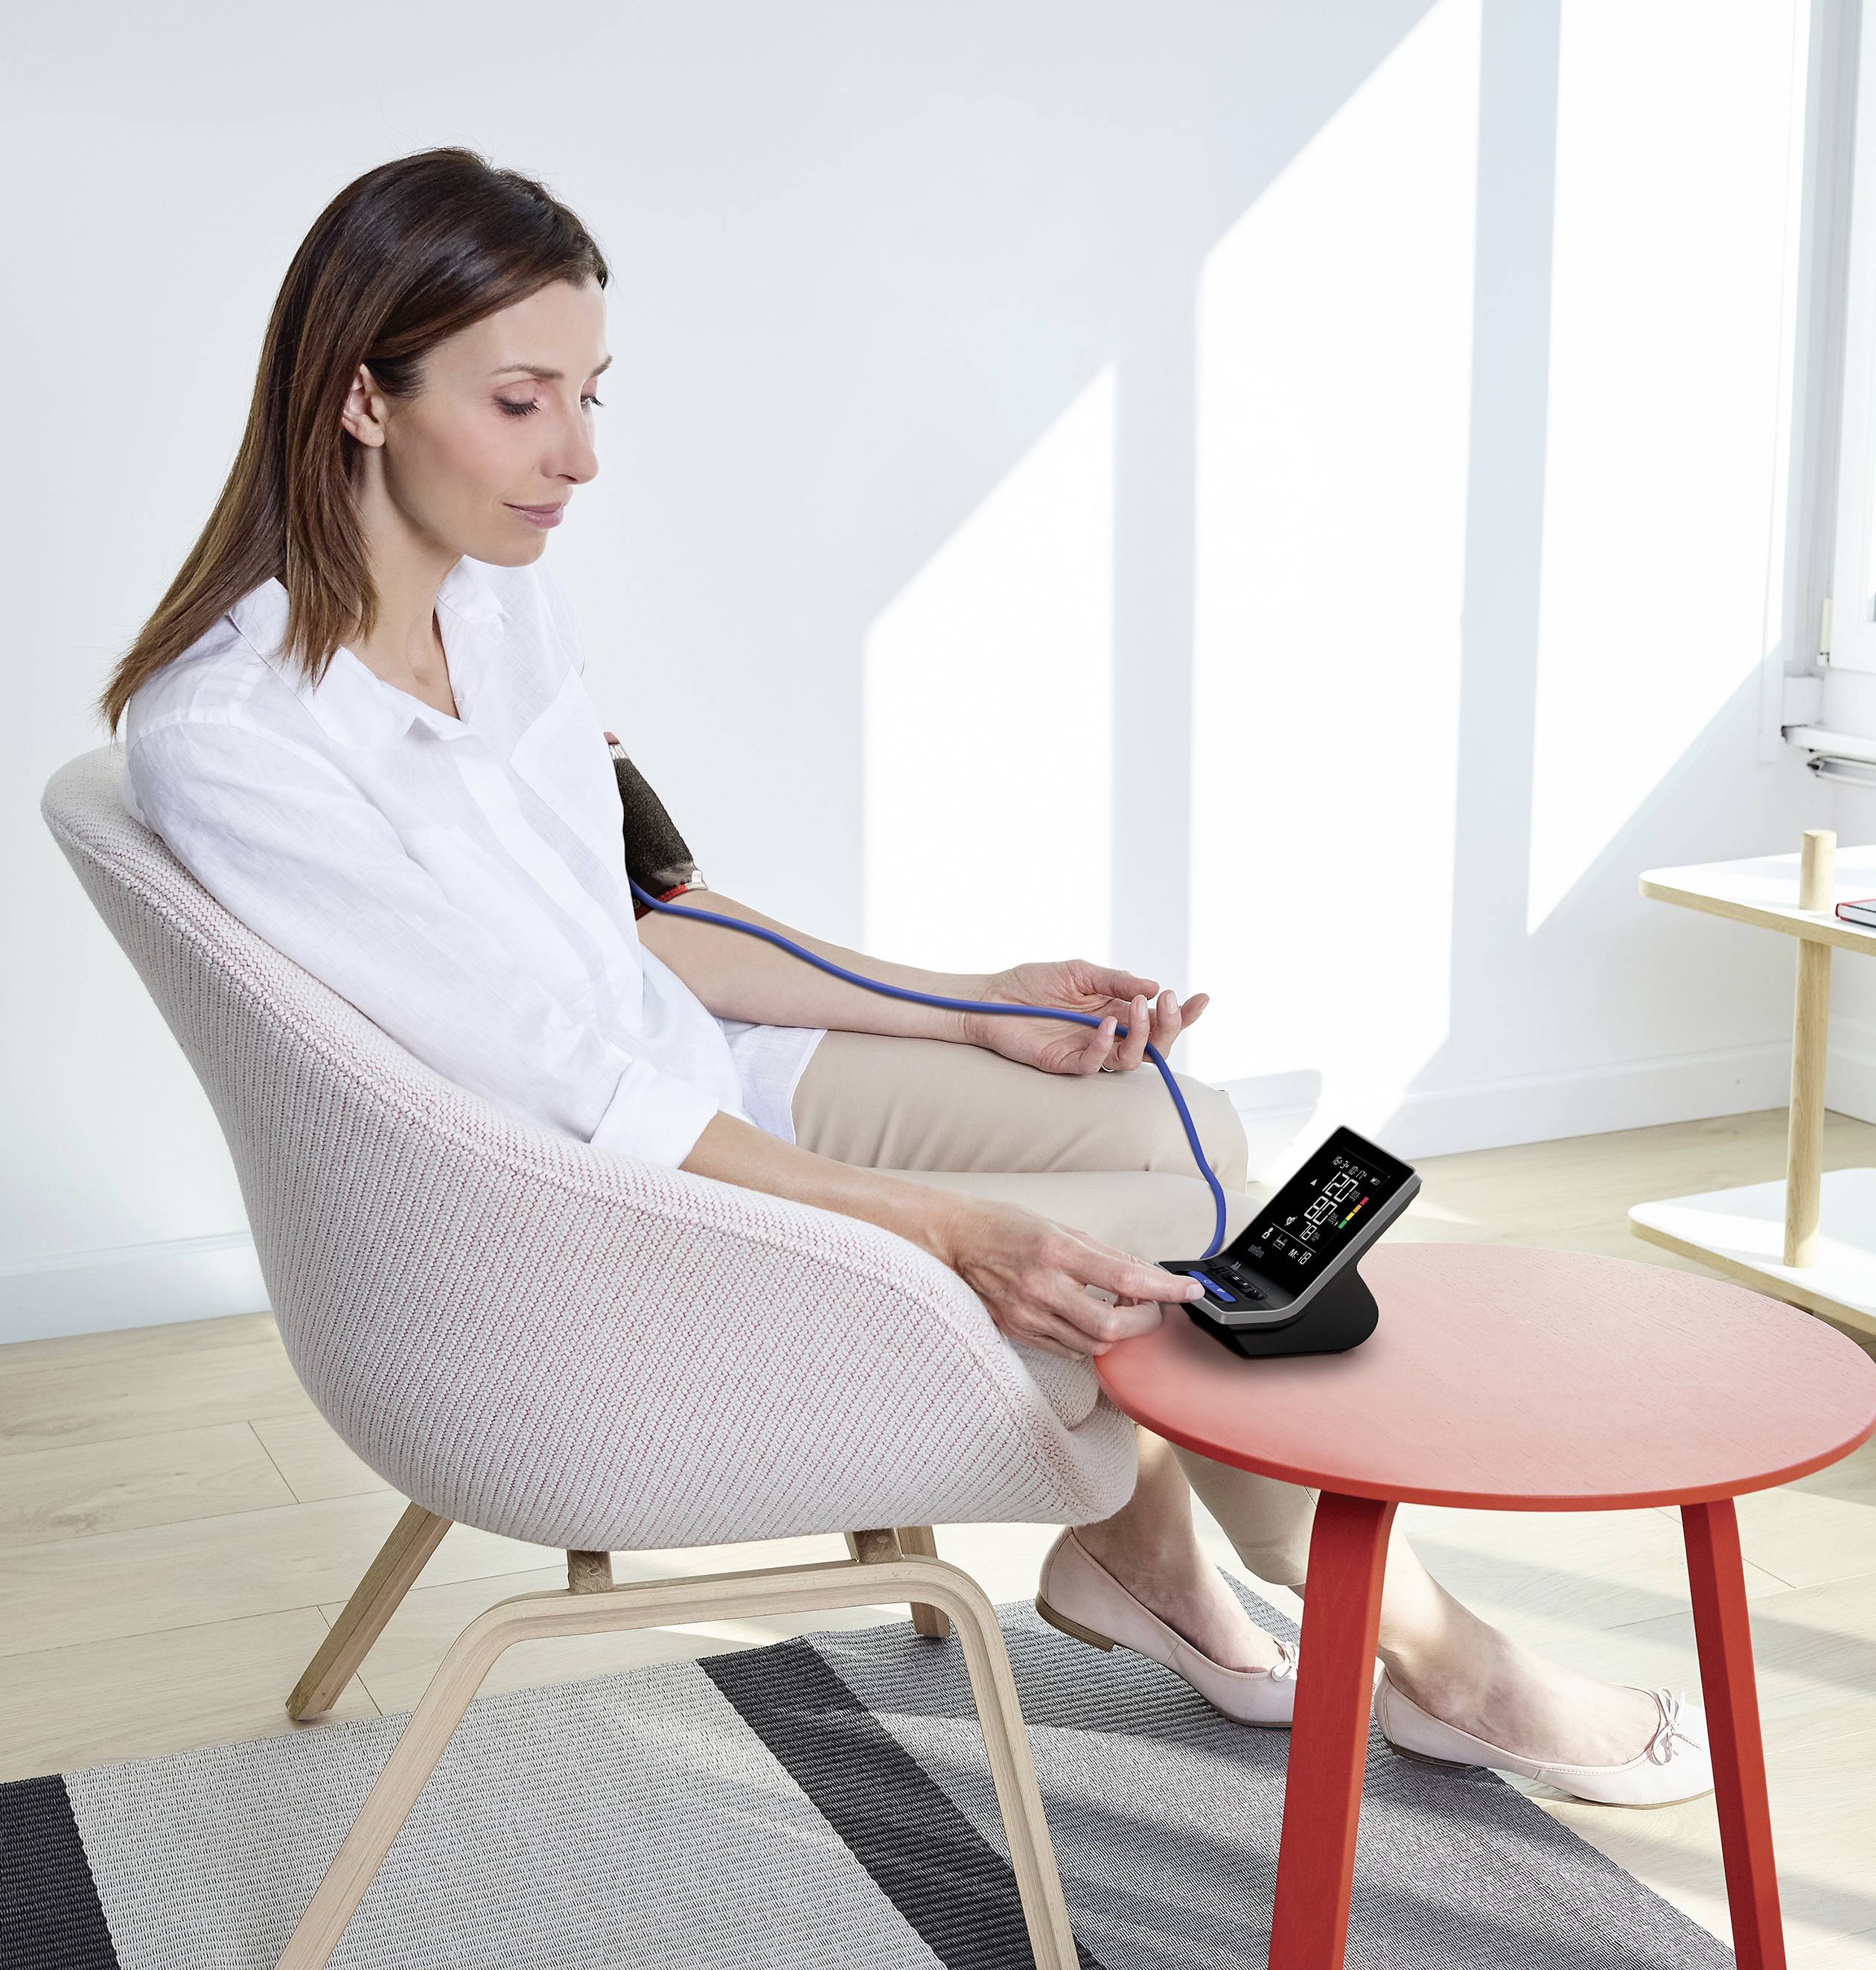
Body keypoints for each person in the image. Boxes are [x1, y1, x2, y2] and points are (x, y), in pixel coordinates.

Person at [99, 146, 1708, 1807]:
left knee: (1191, 1125)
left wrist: (973, 1002)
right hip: (595, 1212)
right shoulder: (238, 737)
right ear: (363, 397)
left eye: (591, 393)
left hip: (703, 1076)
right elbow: (554, 1083)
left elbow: (648, 920)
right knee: (1166, 1239)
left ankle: (1143, 1552)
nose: (580, 456)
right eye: (522, 402)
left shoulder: (503, 610)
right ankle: (1443, 1659)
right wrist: (943, 1226)